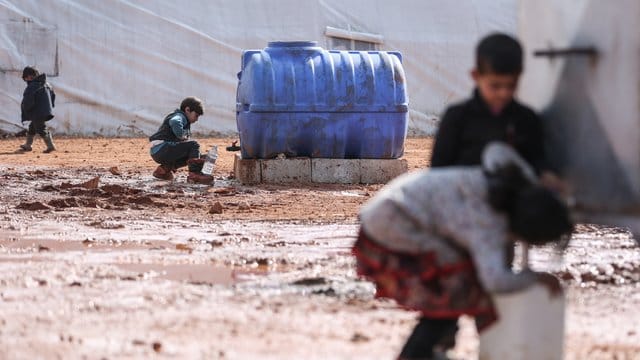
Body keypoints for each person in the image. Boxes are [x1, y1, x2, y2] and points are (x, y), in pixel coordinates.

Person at [353, 142, 574, 360]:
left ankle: (422, 352)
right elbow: (495, 280)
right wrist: (535, 278)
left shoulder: (509, 182)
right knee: (458, 288)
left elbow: (496, 150)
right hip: (394, 223)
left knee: (456, 285)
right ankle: (416, 354)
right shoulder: (487, 223)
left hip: (391, 206)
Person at [430, 33, 564, 192]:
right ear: (476, 75)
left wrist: (546, 175)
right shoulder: (458, 117)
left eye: (511, 85)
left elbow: (536, 161)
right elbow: (438, 170)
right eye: (495, 86)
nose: (504, 93)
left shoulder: (526, 119)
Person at [148, 97, 213, 184]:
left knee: (193, 155)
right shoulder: (180, 116)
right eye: (196, 115)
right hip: (162, 148)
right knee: (194, 145)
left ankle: (163, 170)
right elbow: (174, 121)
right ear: (187, 110)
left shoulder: (182, 118)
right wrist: (181, 135)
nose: (197, 119)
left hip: (158, 151)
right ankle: (194, 174)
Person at [19, 66, 57, 153]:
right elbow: (52, 96)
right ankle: (28, 145)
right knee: (32, 127)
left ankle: (51, 146)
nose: (26, 80)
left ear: (29, 76)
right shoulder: (47, 84)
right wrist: (49, 107)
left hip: (37, 112)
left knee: (41, 128)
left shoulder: (32, 86)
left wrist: (27, 109)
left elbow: (28, 100)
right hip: (45, 111)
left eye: (26, 78)